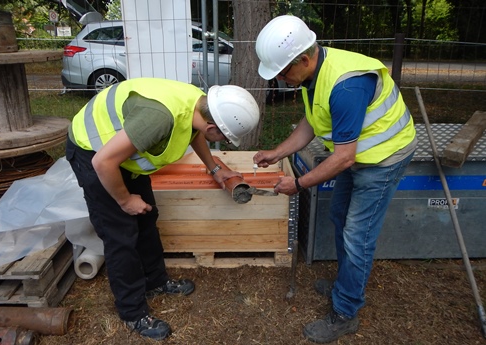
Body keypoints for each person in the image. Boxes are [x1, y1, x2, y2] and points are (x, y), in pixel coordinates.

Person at [254, 15, 417, 343]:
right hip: (358, 158)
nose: (282, 80)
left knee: (358, 234)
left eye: (284, 72)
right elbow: (312, 122)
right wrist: (277, 152)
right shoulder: (314, 76)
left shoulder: (346, 85)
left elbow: (343, 157)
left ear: (303, 59)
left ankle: (346, 311)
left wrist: (297, 184)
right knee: (339, 217)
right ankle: (348, 283)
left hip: (384, 159)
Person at [66, 77, 259, 341]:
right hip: (94, 152)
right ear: (213, 125)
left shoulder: (198, 105)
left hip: (121, 153)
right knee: (121, 236)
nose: (222, 142)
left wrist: (214, 168)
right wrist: (124, 200)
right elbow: (103, 162)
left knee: (146, 218)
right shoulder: (159, 118)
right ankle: (132, 312)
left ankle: (155, 282)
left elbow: (194, 134)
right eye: (223, 138)